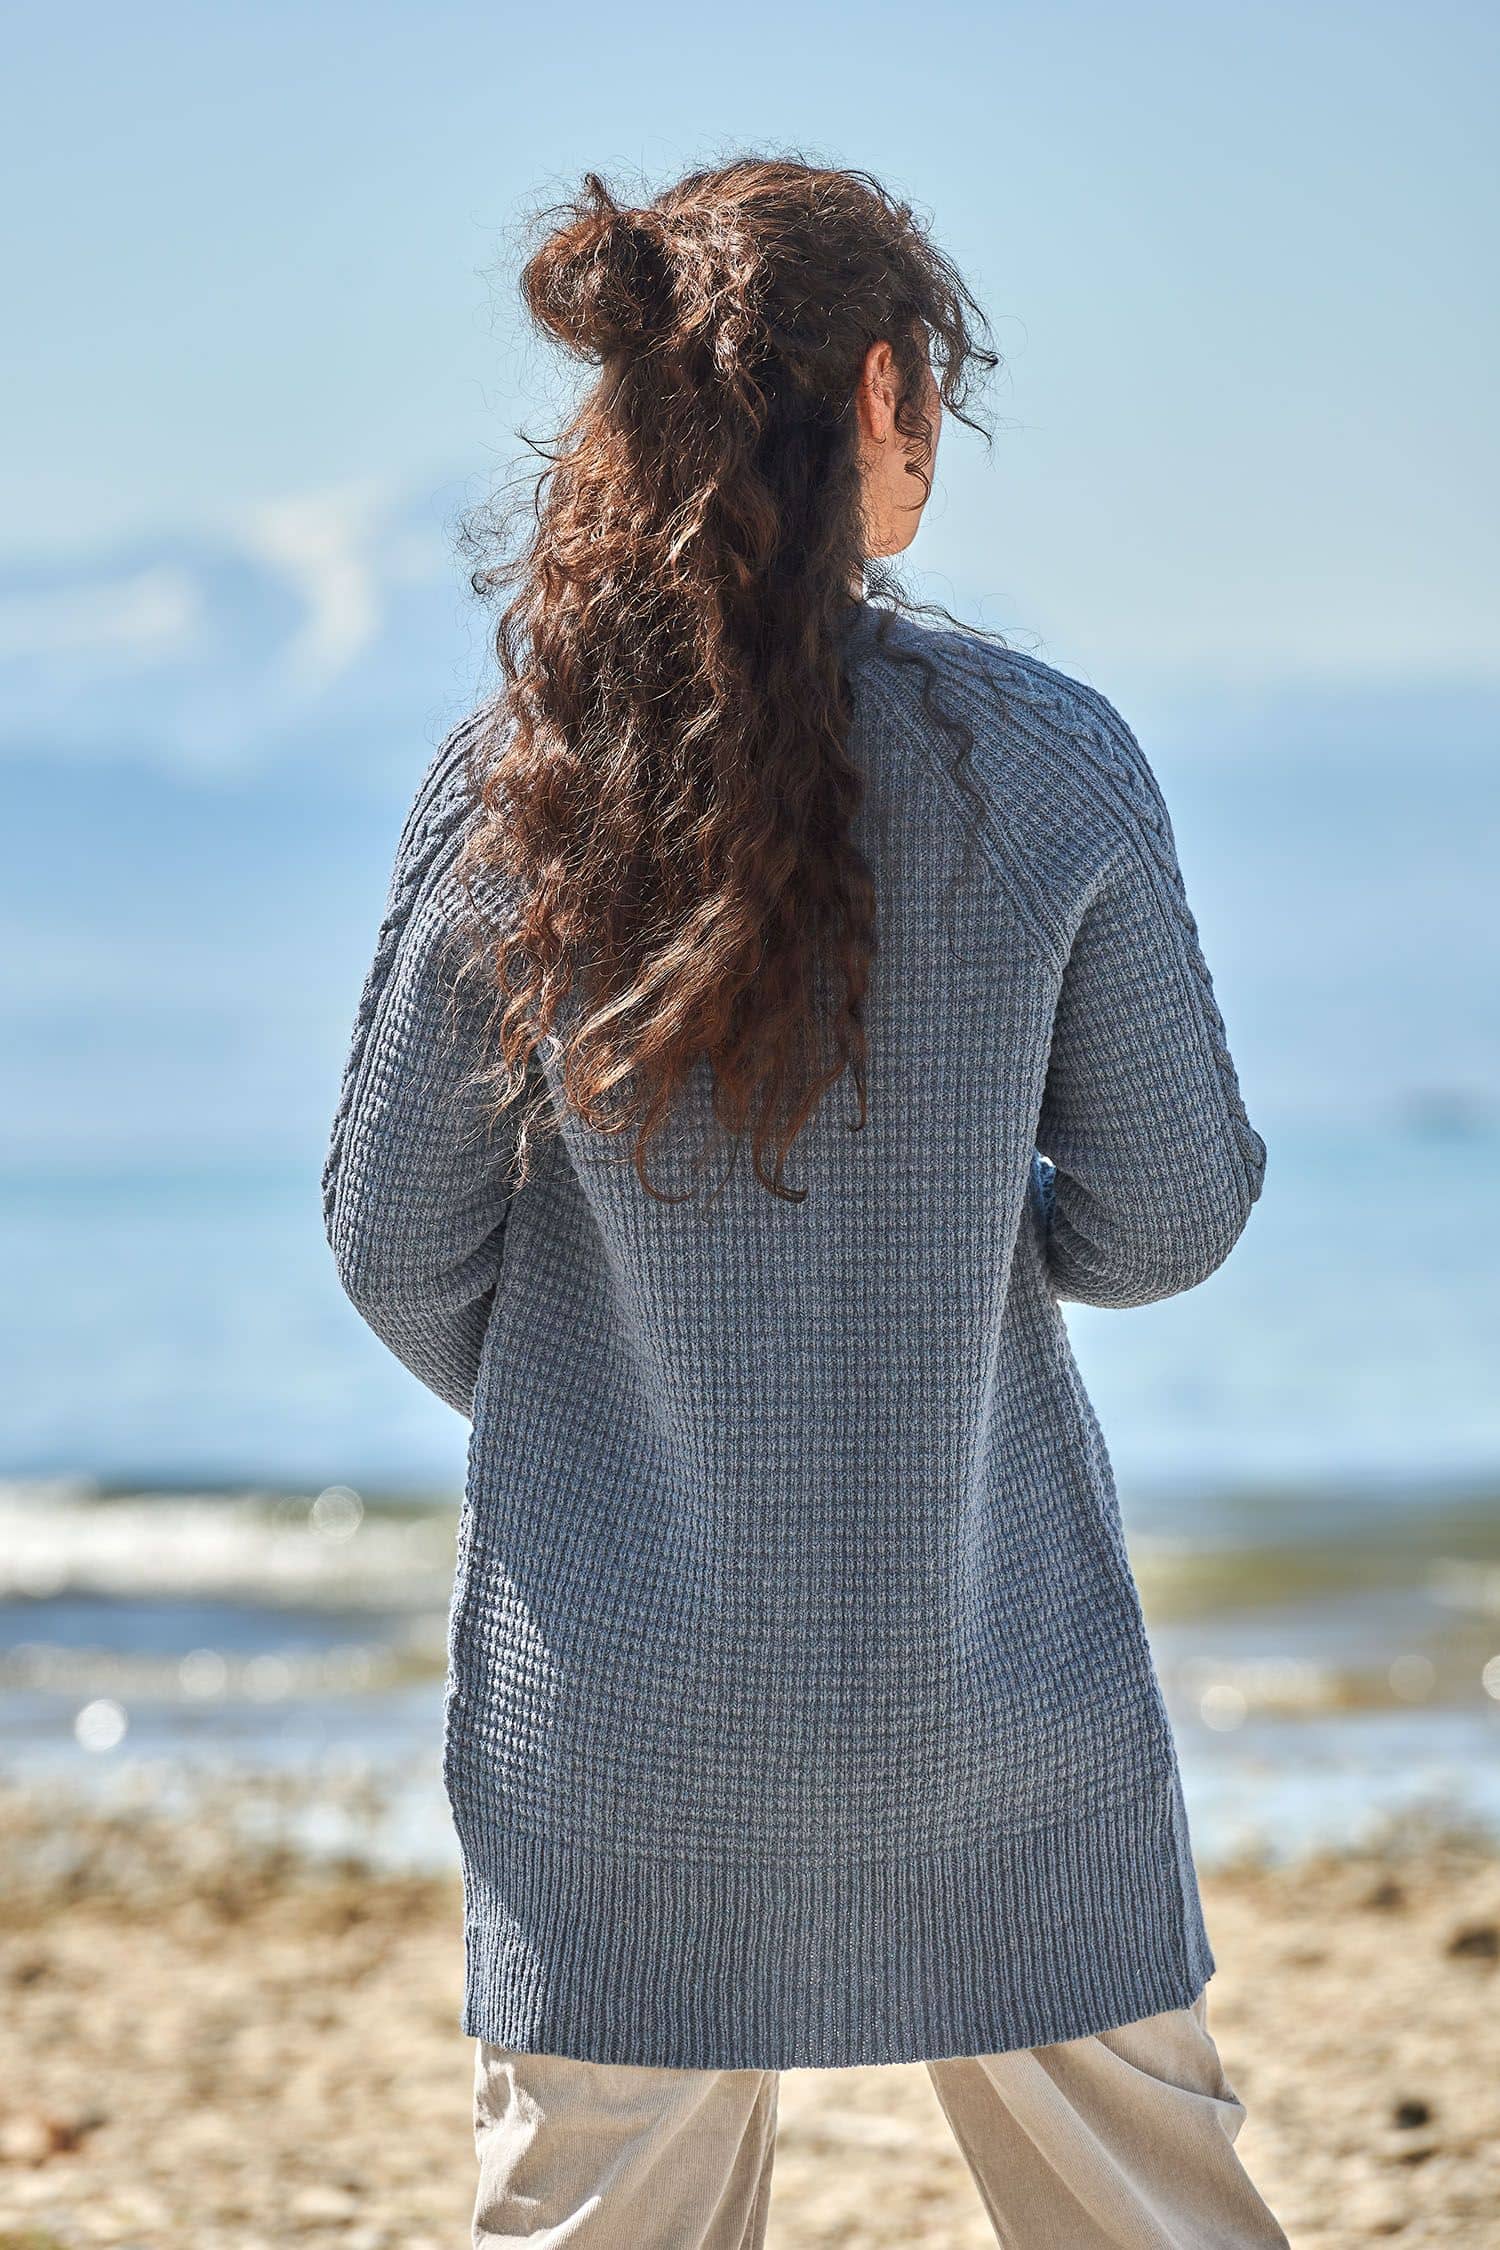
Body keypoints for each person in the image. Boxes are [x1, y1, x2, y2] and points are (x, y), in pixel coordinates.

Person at [324, 157, 1289, 2249]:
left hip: (625, 1730)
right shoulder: (1050, 765)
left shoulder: (514, 789)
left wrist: (615, 1391)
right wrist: (950, 1263)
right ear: (879, 392)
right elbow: (1175, 1210)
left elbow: (395, 1243)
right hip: (994, 1698)